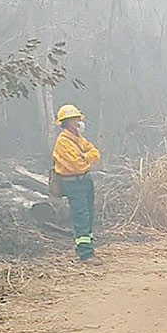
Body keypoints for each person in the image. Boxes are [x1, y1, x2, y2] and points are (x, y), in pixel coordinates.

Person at [52, 104, 100, 261]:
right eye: (75, 120)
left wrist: (85, 157)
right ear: (66, 122)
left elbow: (95, 153)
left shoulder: (78, 139)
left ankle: (86, 247)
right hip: (73, 183)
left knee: (89, 214)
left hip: (85, 181)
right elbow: (76, 165)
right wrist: (86, 157)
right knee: (81, 215)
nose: (79, 122)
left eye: (78, 119)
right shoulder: (63, 142)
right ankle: (86, 254)